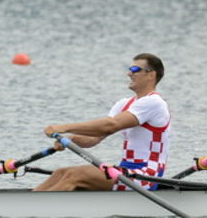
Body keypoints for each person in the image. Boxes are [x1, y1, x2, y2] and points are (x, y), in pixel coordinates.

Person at [34, 53, 171, 191]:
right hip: (126, 170)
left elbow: (110, 126)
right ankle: (32, 200)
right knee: (61, 172)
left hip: (146, 176)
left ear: (151, 75)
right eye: (130, 69)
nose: (129, 73)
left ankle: (42, 204)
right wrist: (72, 139)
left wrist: (64, 127)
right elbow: (94, 138)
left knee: (76, 175)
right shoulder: (124, 104)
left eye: (135, 70)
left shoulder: (154, 102)